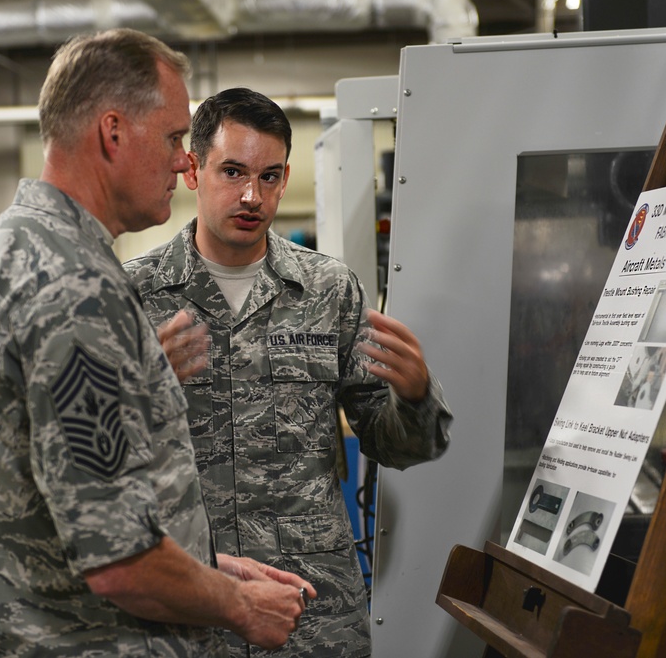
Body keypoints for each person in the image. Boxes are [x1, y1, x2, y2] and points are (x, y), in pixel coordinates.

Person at [0, 30, 315, 658]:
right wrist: (240, 605)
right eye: (172, 138)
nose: (181, 163)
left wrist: (200, 565)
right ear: (113, 132)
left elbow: (63, 507)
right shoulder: (75, 287)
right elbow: (119, 563)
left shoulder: (1, 253)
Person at [123, 87, 453, 658]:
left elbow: (393, 446)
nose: (252, 195)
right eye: (233, 171)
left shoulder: (328, 290)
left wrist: (415, 396)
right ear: (194, 171)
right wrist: (137, 394)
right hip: (188, 613)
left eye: (270, 176)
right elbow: (93, 462)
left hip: (312, 615)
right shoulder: (135, 297)